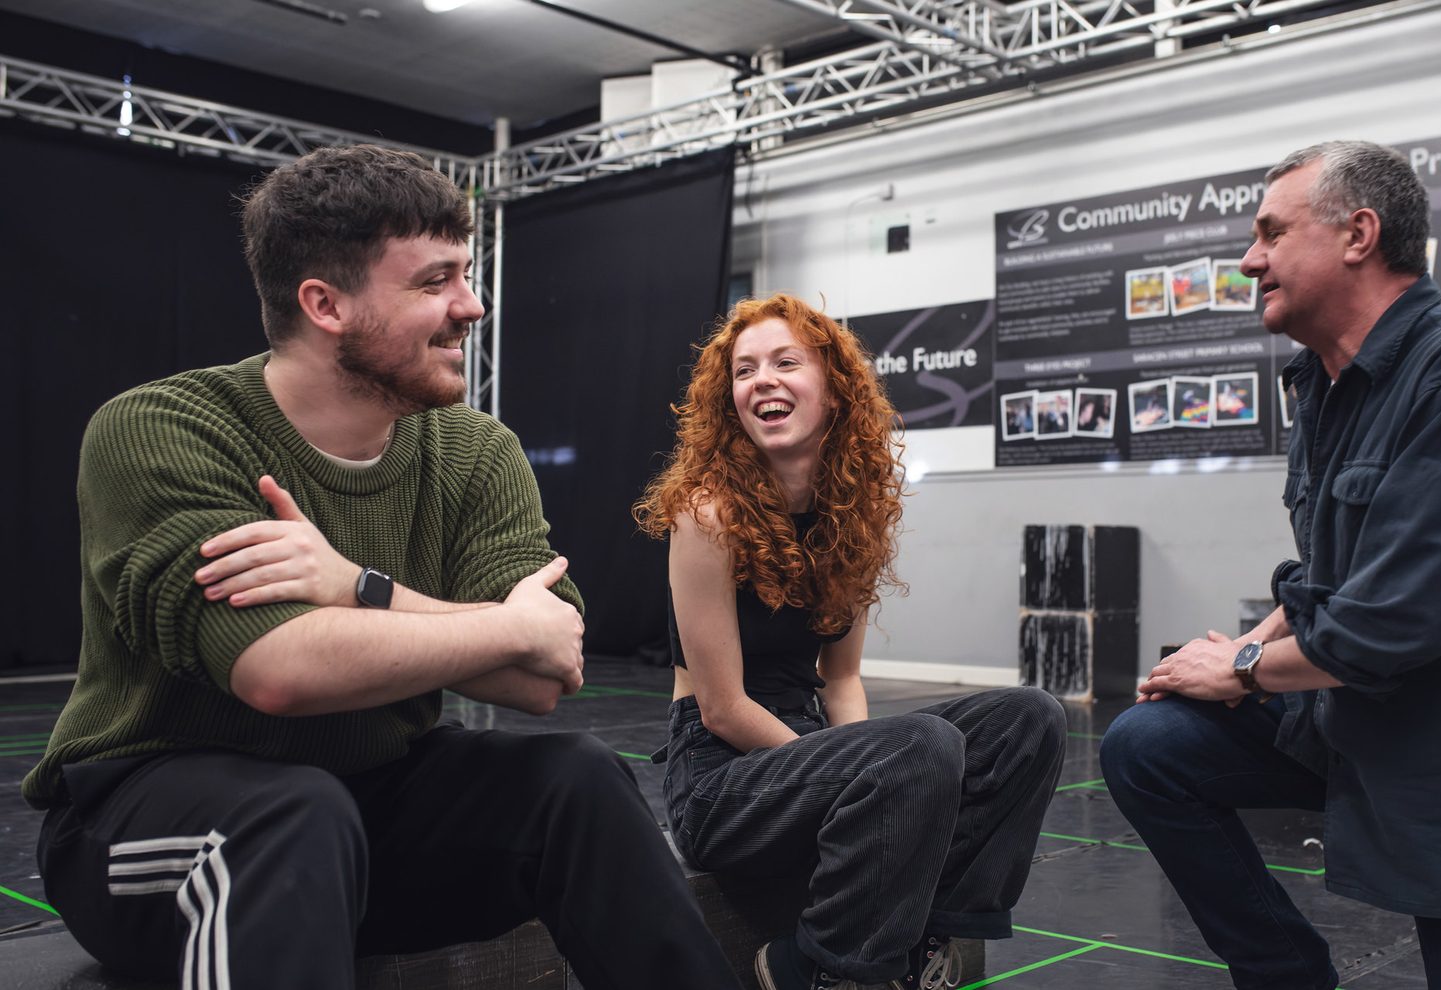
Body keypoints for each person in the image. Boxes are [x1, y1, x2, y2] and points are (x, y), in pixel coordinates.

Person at [23, 144, 739, 990]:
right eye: (434, 282)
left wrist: (357, 587)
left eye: (465, 276)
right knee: (293, 815)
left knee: (578, 778)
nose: (470, 307)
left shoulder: (476, 451)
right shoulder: (161, 428)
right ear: (326, 304)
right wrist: (506, 624)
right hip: (145, 818)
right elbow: (277, 671)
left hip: (366, 801)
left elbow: (548, 672)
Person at [1099, 141, 1441, 989]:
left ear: (1359, 233)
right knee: (1151, 745)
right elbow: (1333, 576)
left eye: (1271, 233)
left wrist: (1245, 669)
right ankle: (1286, 975)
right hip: (1370, 723)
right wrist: (1231, 650)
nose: (1250, 260)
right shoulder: (1323, 385)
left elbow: (1395, 623)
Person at [634, 293, 1067, 990]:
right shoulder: (706, 514)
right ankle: (819, 969)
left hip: (808, 748)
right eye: (744, 371)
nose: (761, 380)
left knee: (1030, 720)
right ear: (729, 401)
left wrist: (873, 774)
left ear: (834, 392)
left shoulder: (853, 515)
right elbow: (720, 707)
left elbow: (840, 680)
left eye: (784, 362)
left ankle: (934, 933)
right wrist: (860, 771)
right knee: (919, 748)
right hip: (721, 777)